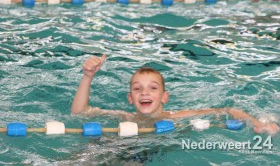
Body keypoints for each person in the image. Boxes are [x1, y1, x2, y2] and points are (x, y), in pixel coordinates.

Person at [71, 54, 279, 135]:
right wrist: (87, 77)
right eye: (137, 89)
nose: (144, 92)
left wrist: (254, 122)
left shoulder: (176, 117)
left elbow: (228, 109)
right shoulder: (124, 117)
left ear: (164, 97)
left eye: (153, 88)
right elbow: (80, 113)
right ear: (130, 98)